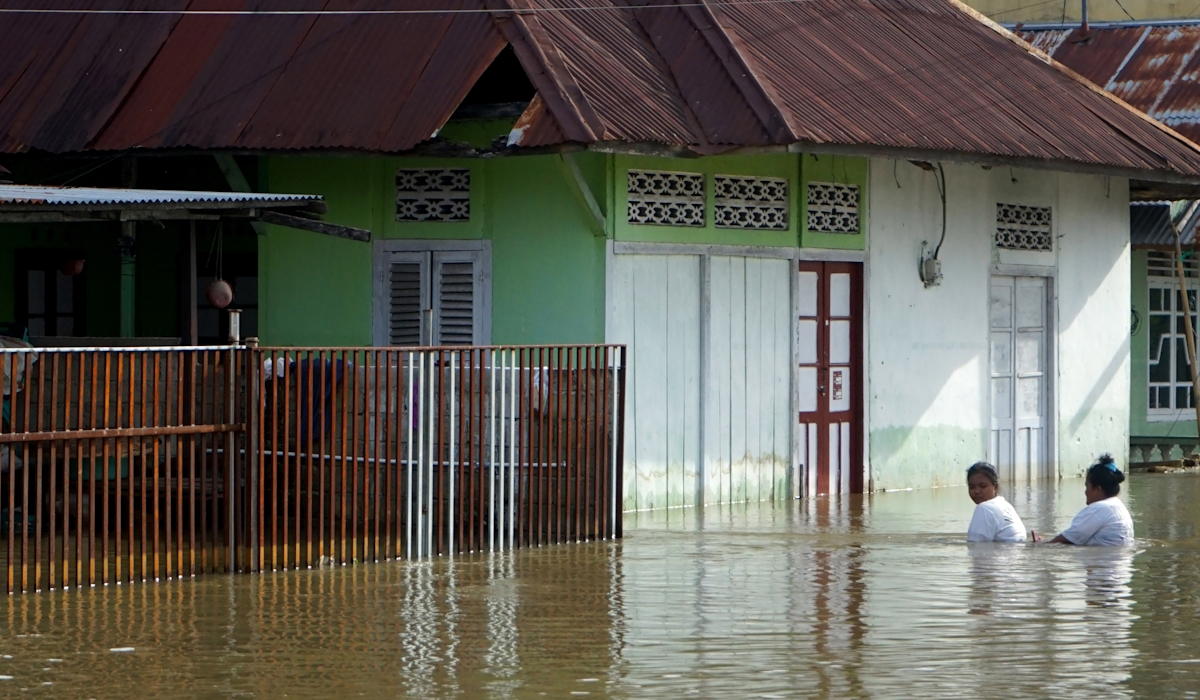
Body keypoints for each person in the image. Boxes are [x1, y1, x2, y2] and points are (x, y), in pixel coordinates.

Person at [1032, 454, 1134, 546]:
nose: (1085, 493)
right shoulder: (1119, 506)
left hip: (1103, 565)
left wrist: (1042, 544)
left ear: (1097, 489)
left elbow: (1067, 539)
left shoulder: (1099, 509)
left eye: (1087, 487)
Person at [966, 462, 1027, 543]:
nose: (977, 491)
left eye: (983, 486)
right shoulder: (1006, 506)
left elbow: (974, 546)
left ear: (995, 487)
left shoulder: (985, 508)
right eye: (972, 487)